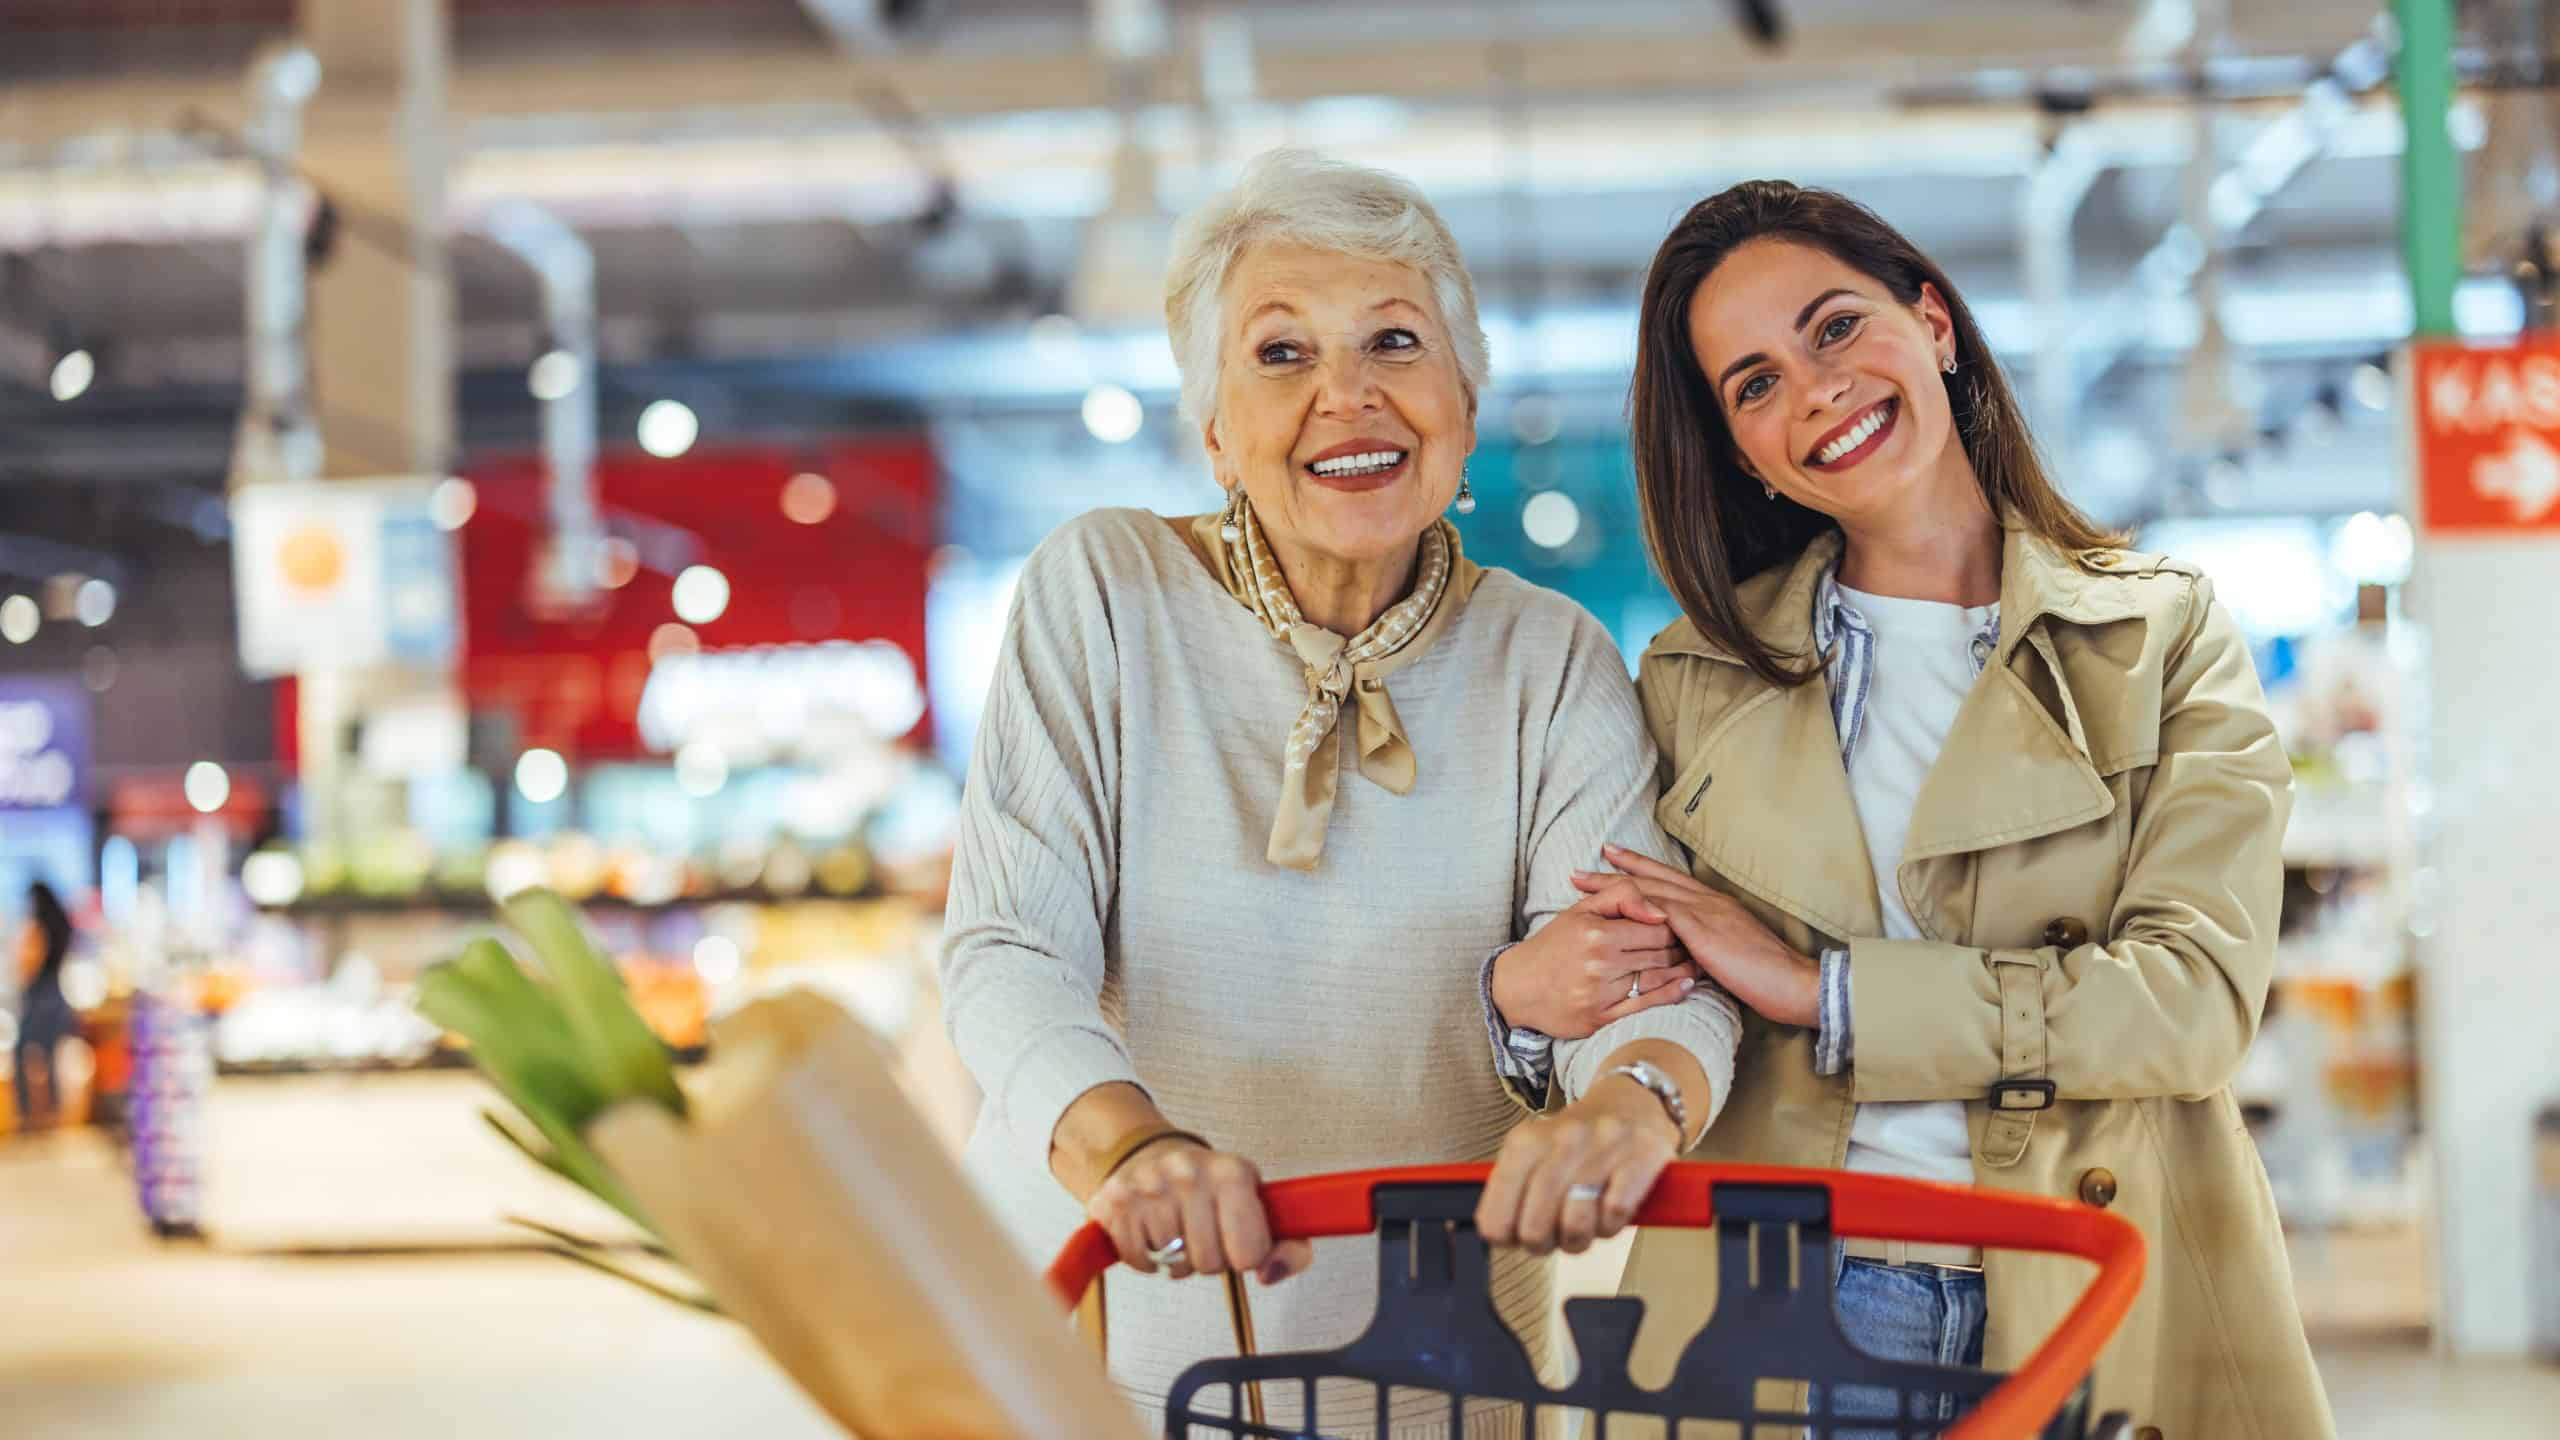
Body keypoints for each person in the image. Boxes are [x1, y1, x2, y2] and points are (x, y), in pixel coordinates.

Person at [1481, 181, 2333, 1438]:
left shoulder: (2161, 635)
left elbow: (2192, 1003)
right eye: (1753, 384)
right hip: (1784, 1302)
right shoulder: (1690, 681)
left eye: (1834, 328)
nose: (1815, 389)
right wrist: (1523, 993)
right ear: (1734, 449)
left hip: (2087, 1275)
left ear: (1931, 319)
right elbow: (1645, 985)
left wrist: (1822, 993)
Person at [938, 148, 1744, 1433]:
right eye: (1280, 355)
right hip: (1087, 1352)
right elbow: (1004, 954)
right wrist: (1131, 1149)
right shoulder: (1103, 593)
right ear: (1212, 433)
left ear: (1464, 409)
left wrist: (1626, 1104)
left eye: (1393, 342)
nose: (1347, 396)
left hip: (1431, 1385)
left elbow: (1648, 991)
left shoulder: (1549, 659)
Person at [12, 881, 76, 1132]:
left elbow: (29, 963)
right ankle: (52, 1112)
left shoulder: (37, 927)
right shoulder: (61, 923)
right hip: (56, 996)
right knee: (49, 1057)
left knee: (21, 1052)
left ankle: (27, 1113)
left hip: (39, 997)